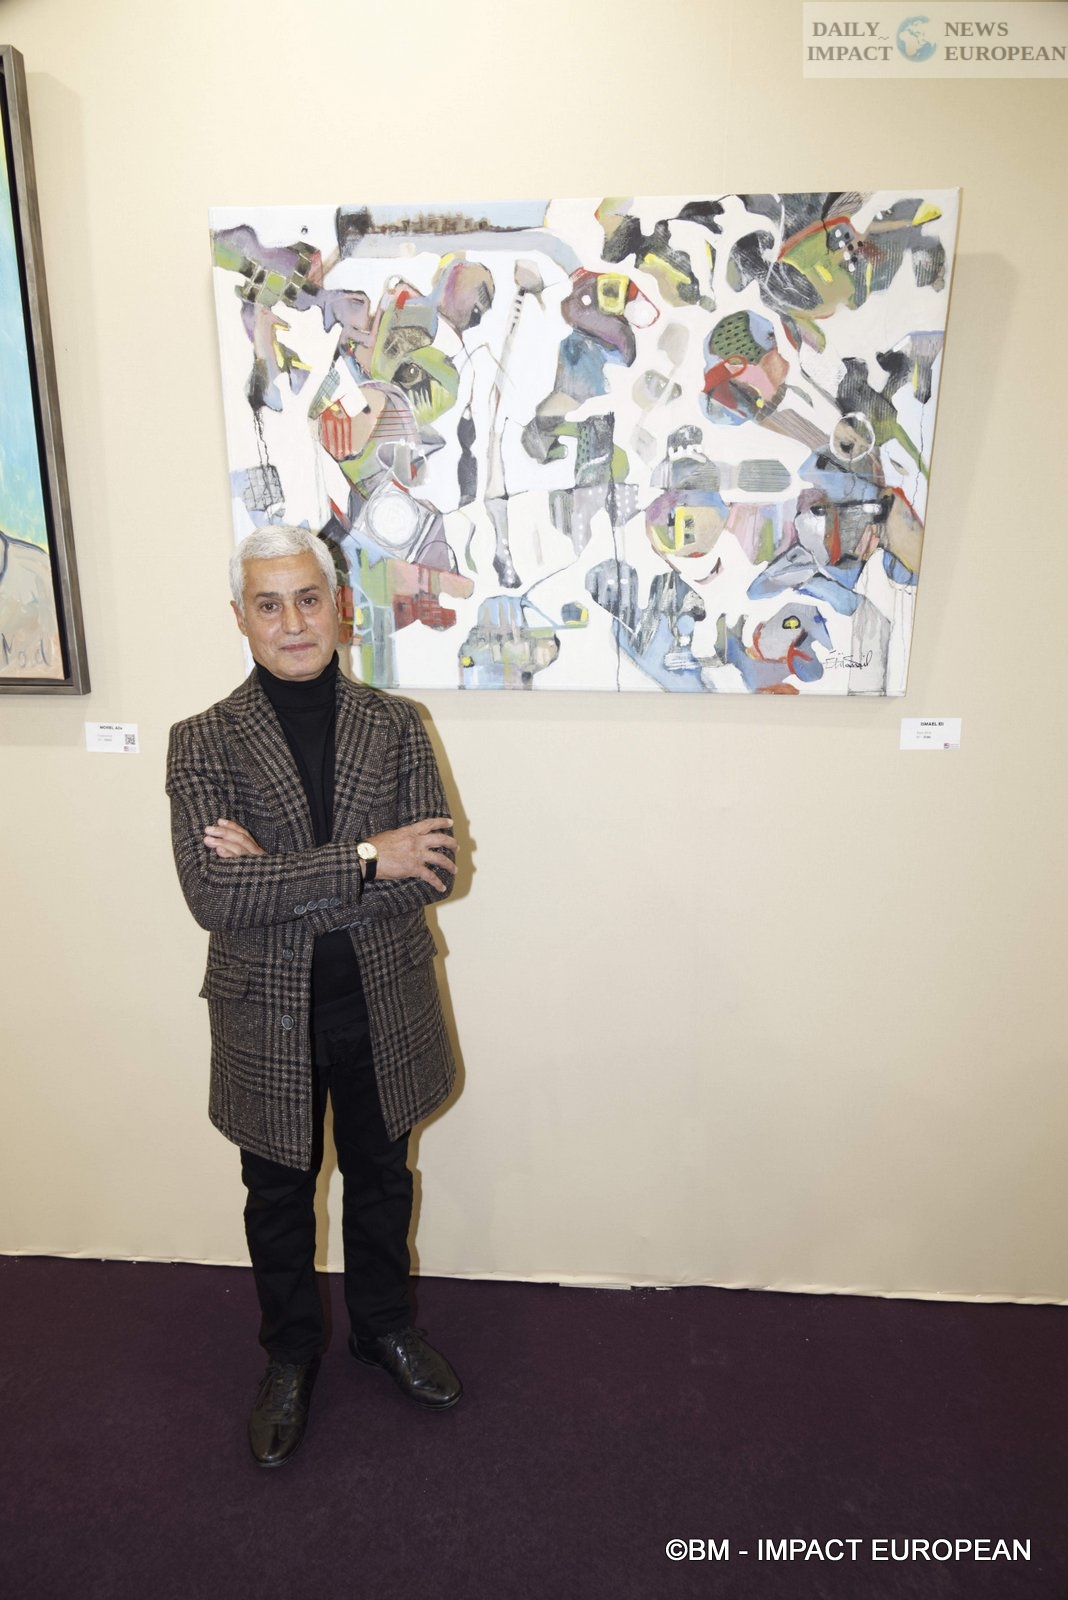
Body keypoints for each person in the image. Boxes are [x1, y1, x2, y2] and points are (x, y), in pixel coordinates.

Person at [166, 524, 462, 1468]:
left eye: (307, 599)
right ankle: (290, 1356)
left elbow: (435, 873)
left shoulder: (397, 723)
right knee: (277, 1198)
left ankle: (383, 1329)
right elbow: (214, 898)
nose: (292, 622)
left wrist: (277, 873)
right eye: (269, 604)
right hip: (267, 1014)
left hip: (384, 1002)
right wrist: (369, 857)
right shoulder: (200, 742)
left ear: (338, 606)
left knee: (382, 1181)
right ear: (240, 617)